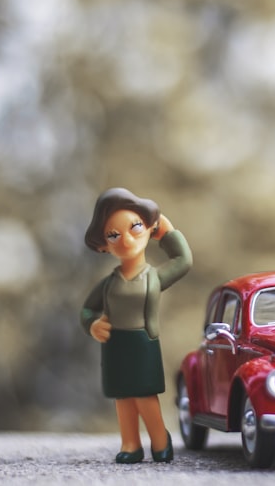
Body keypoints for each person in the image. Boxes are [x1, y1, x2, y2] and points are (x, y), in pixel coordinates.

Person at [80, 187, 193, 464]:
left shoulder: (153, 278)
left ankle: (159, 438)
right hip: (116, 345)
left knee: (144, 396)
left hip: (143, 343)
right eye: (114, 234)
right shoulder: (109, 284)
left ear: (148, 228)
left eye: (136, 227)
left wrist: (166, 231)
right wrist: (93, 324)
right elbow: (88, 309)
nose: (127, 239)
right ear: (104, 245)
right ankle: (130, 443)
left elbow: (183, 261)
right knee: (123, 398)